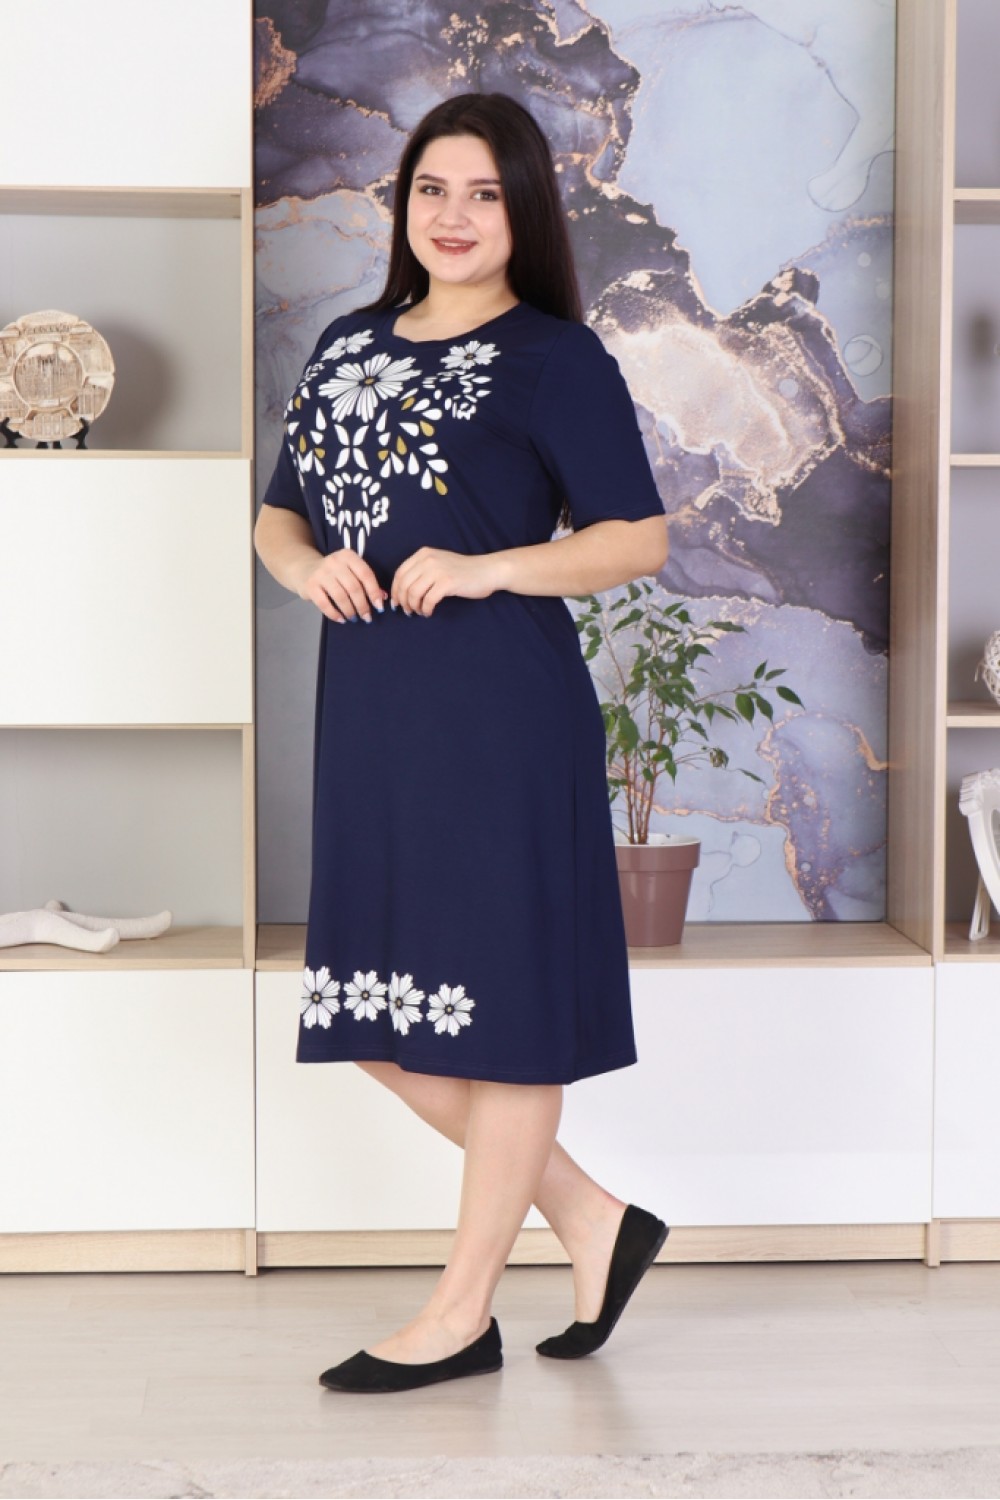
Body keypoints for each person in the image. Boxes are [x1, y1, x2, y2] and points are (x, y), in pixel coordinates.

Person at [254, 91, 670, 1395]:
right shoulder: (347, 343)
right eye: (433, 188)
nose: (454, 215)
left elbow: (636, 539)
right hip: (374, 721)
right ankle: (593, 1217)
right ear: (405, 205)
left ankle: (460, 1312)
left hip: (502, 721)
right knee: (371, 1014)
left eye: (485, 193)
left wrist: (491, 568)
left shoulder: (556, 357)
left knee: (506, 1020)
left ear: (524, 209)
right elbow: (280, 514)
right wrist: (305, 568)